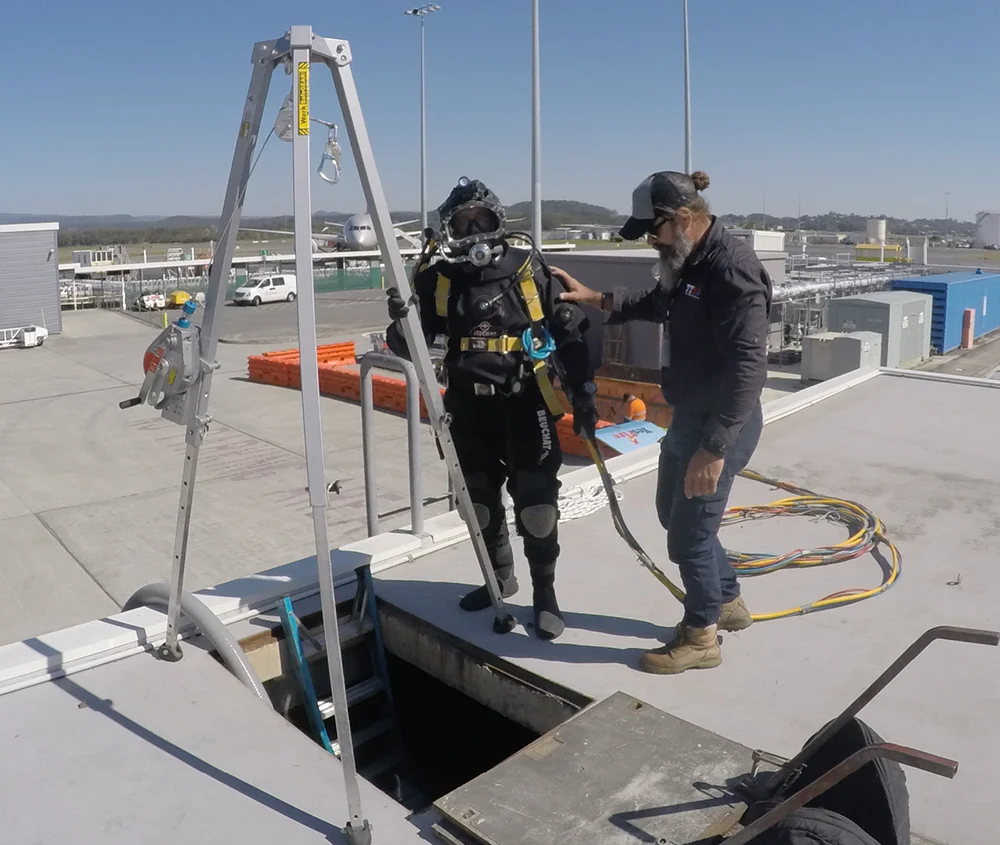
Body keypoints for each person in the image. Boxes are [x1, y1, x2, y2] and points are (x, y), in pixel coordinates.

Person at [552, 169, 772, 674]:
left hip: (721, 423)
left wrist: (714, 449)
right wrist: (598, 298)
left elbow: (748, 368)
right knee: (673, 517)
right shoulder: (689, 260)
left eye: (655, 230)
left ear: (686, 218)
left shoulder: (731, 270)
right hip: (690, 415)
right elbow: (658, 304)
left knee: (689, 537)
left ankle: (701, 638)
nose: (651, 240)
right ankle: (730, 601)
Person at [383, 177, 599, 641]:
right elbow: (409, 344)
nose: (475, 229)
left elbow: (572, 334)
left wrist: (584, 396)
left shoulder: (530, 271)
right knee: (477, 504)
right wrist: (400, 317)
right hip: (466, 409)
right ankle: (498, 577)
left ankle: (545, 595)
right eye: (464, 222)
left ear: (500, 221)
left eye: (483, 219)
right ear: (449, 231)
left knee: (537, 508)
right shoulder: (437, 279)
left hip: (526, 404)